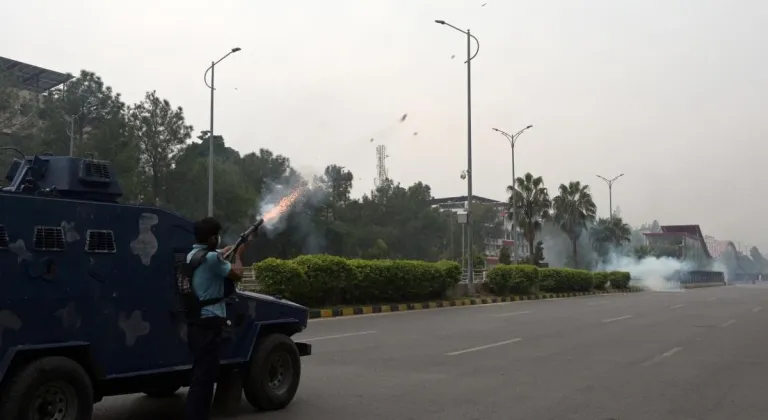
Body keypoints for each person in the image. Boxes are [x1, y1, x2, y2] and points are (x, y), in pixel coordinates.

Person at [184, 217, 246, 420]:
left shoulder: (192, 255)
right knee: (205, 378)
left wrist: (224, 252)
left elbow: (212, 259)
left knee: (201, 375)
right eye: (216, 236)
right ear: (212, 238)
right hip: (210, 322)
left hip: (197, 322)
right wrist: (238, 255)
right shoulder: (212, 259)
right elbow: (237, 274)